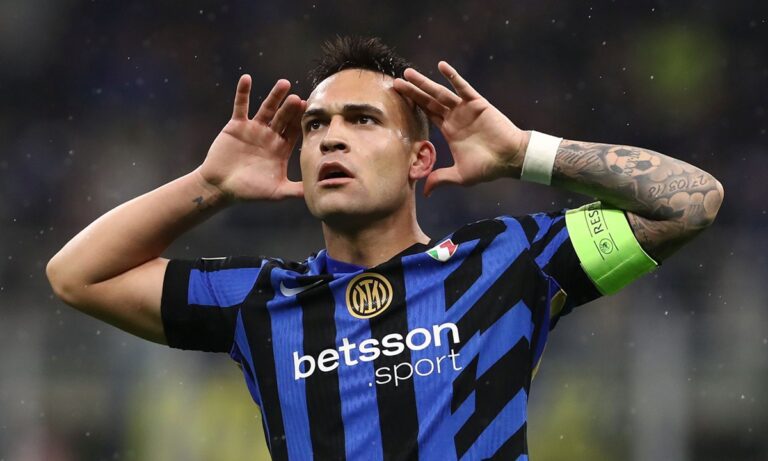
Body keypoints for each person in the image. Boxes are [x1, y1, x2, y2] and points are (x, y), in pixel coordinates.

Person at [46, 36, 724, 460]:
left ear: (419, 158)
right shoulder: (261, 299)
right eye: (315, 126)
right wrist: (210, 186)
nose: (331, 138)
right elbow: (76, 275)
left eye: (362, 120)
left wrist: (524, 152)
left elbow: (693, 200)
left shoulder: (506, 262)